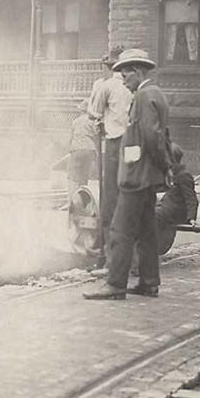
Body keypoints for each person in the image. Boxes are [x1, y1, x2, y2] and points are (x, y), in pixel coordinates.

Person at [84, 49, 171, 300]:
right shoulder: (155, 94)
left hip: (137, 176)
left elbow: (152, 138)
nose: (123, 80)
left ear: (138, 71)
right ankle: (149, 282)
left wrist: (160, 166)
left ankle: (115, 284)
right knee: (146, 230)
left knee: (120, 229)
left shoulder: (144, 96)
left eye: (126, 75)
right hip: (147, 175)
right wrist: (161, 169)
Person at [87, 46, 131, 266]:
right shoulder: (137, 87)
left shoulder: (106, 86)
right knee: (131, 196)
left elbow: (92, 113)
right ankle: (128, 252)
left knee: (109, 199)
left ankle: (107, 253)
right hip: (134, 145)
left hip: (114, 145)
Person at [155, 143, 199, 256]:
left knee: (153, 215)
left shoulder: (184, 175)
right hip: (168, 209)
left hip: (175, 211)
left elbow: (191, 198)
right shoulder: (171, 174)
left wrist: (191, 218)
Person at [66, 99, 98, 204]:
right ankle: (83, 202)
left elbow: (71, 138)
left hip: (76, 150)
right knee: (84, 176)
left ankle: (71, 201)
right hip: (89, 149)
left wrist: (69, 149)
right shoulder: (92, 122)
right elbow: (96, 135)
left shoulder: (75, 122)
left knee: (73, 176)